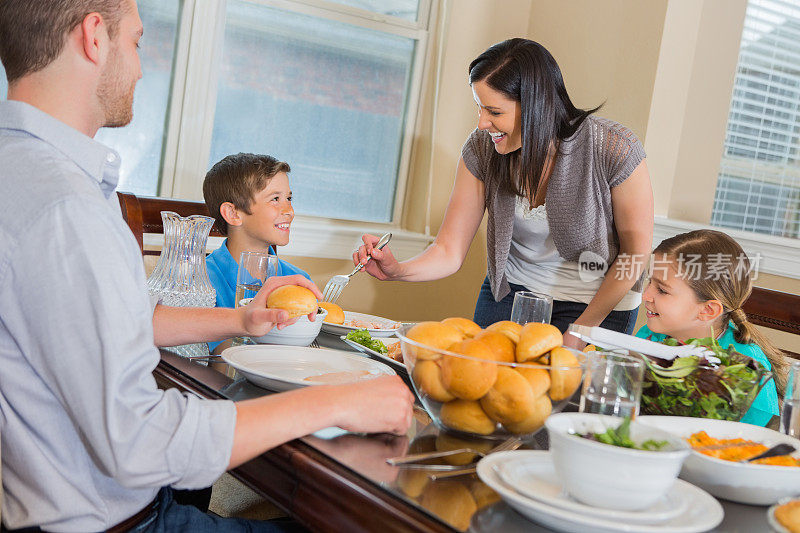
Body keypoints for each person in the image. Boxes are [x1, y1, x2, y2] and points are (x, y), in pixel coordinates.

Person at [0, 1, 414, 531]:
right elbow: (138, 443)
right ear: (94, 37)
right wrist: (334, 403)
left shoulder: (28, 175)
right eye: (137, 41)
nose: (142, 66)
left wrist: (241, 320)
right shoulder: (65, 208)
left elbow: (118, 320)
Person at [354, 38, 653, 342]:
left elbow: (635, 255)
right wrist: (397, 270)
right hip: (513, 294)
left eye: (494, 112)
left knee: (566, 389)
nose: (482, 123)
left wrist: (580, 331)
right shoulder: (482, 149)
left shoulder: (614, 148)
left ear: (538, 107)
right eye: (479, 108)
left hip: (599, 305)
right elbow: (448, 250)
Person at [636, 229, 786, 426]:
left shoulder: (746, 369)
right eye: (649, 281)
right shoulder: (650, 336)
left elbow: (758, 440)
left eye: (662, 290)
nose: (645, 295)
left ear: (707, 310)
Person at [203, 153, 311, 354]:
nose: (290, 211)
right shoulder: (202, 282)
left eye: (289, 198)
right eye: (275, 199)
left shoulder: (298, 281)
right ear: (233, 213)